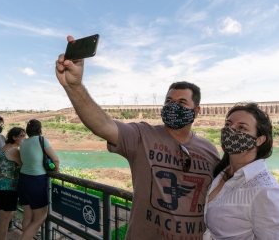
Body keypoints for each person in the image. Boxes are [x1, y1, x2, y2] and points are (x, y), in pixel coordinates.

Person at [55, 36, 220, 239]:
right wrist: (74, 86)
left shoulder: (210, 151)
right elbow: (102, 125)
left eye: (182, 102)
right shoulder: (142, 135)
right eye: (168, 100)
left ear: (196, 112)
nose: (173, 106)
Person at [203, 103, 279, 239]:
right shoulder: (223, 173)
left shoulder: (266, 191)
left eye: (242, 127)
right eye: (228, 125)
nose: (231, 130)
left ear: (259, 140)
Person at [17, 119, 59, 240]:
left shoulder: (23, 142)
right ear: (40, 130)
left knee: (28, 216)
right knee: (40, 217)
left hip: (23, 179)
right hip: (36, 181)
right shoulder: (42, 140)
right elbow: (55, 159)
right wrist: (56, 169)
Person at [0, 127, 25, 240]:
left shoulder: (5, 147)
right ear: (15, 137)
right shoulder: (15, 151)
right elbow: (24, 167)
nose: (25, 138)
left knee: (6, 216)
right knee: (4, 221)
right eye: (22, 136)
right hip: (7, 189)